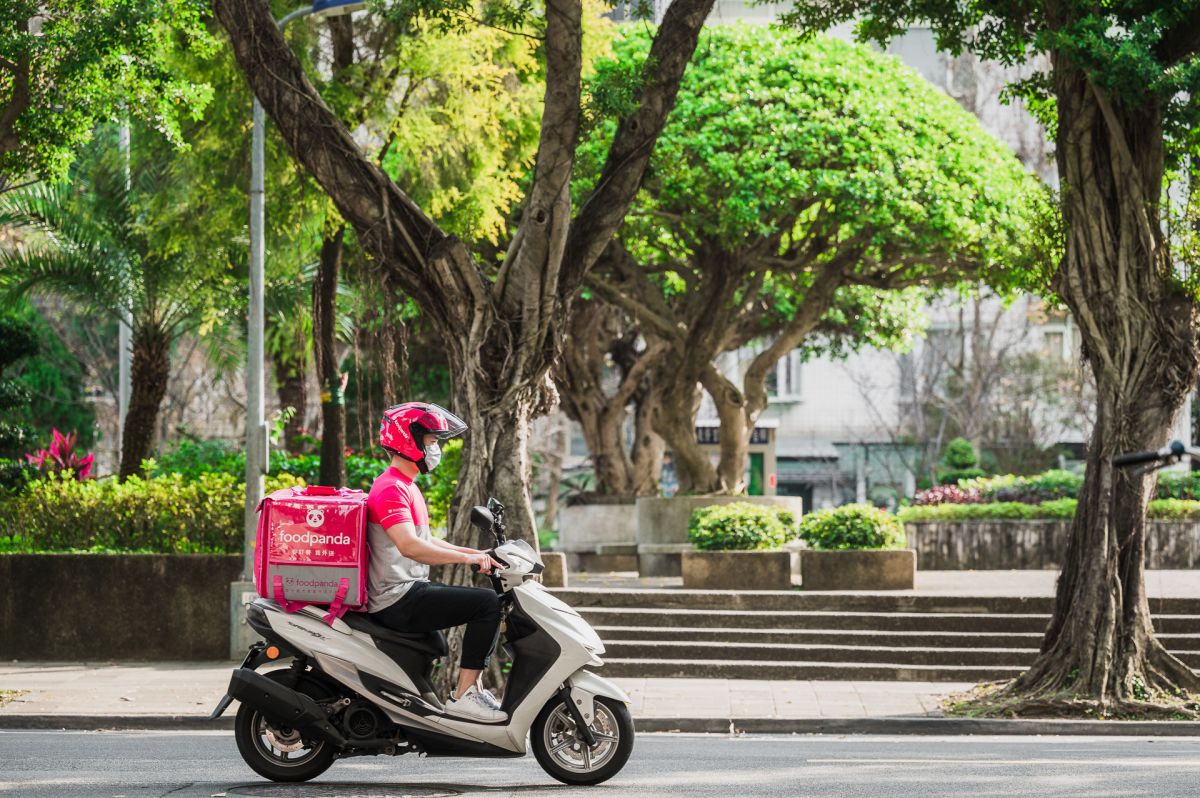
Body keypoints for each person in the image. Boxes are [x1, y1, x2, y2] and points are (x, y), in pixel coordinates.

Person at [365, 401, 507, 723]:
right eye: (431, 442)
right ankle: (463, 697)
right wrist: (465, 559)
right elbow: (410, 546)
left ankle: (473, 690)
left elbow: (426, 540)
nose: (436, 449)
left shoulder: (406, 486)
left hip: (408, 590)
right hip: (396, 597)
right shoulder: (390, 489)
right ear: (408, 440)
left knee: (478, 607)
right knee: (486, 604)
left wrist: (474, 555)